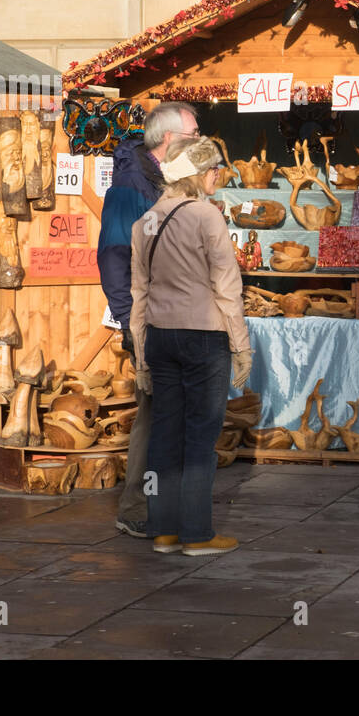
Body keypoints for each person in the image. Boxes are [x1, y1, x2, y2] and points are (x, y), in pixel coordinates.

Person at [129, 136, 252, 557]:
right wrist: (241, 345)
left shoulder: (144, 221)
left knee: (165, 433)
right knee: (201, 436)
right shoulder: (206, 216)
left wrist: (141, 354)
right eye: (213, 169)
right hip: (204, 335)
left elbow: (138, 293)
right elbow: (226, 286)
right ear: (196, 176)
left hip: (161, 337)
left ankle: (163, 529)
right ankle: (197, 535)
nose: (218, 174)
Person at [98, 102, 200, 538]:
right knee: (155, 411)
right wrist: (128, 320)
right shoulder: (130, 186)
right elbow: (114, 257)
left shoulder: (173, 179)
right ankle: (136, 506)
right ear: (170, 139)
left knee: (177, 411)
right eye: (195, 132)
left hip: (181, 314)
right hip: (150, 319)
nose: (200, 139)